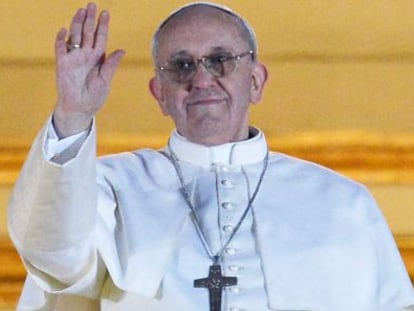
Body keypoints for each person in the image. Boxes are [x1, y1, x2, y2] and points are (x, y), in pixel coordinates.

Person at [7, 2, 414, 311]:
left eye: (220, 60)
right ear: (159, 94)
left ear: (255, 81)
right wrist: (73, 114)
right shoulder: (109, 188)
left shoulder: (343, 203)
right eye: (181, 66)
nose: (201, 79)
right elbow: (53, 256)